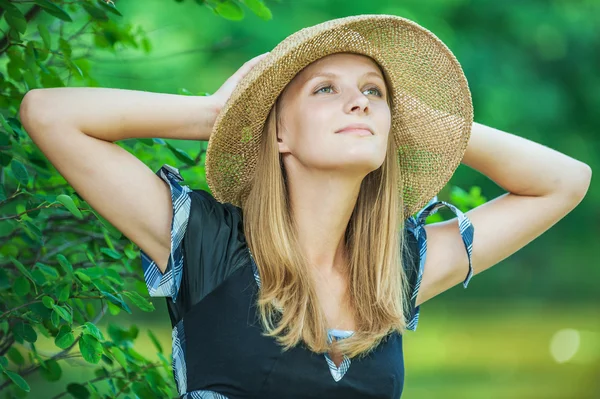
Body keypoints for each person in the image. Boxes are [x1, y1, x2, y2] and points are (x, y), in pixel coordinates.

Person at [20, 14, 591, 399]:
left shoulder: (397, 267)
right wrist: (214, 116)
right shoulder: (206, 241)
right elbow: (48, 113)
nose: (358, 102)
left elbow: (567, 180)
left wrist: (427, 126)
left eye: (374, 92)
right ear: (279, 135)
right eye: (325, 89)